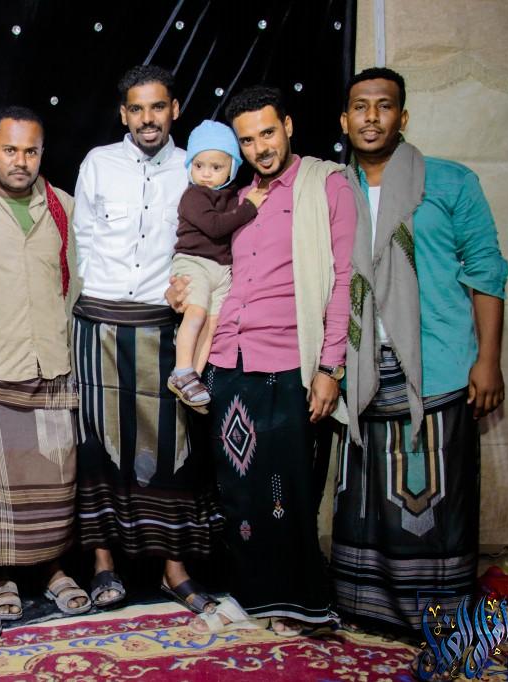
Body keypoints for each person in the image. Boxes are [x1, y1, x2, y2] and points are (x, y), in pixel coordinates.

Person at [333, 67, 508, 630]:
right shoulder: (333, 190)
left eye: (384, 106)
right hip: (359, 371)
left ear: (402, 117)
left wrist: (488, 360)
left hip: (437, 367)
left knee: (437, 505)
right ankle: (366, 610)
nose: (371, 117)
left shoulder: (450, 183)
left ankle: (437, 617)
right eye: (360, 106)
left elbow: (486, 270)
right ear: (344, 120)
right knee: (368, 506)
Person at [186, 85, 357, 636]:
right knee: (237, 490)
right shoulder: (236, 200)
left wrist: (330, 367)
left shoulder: (326, 185)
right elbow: (210, 266)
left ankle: (299, 602)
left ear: (287, 126)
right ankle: (248, 595)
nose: (260, 148)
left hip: (289, 361)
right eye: (247, 140)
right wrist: (181, 287)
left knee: (285, 491)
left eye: (267, 133)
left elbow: (346, 280)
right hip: (228, 358)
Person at [72, 64, 223, 614]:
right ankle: (103, 565)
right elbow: (82, 241)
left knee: (174, 448)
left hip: (165, 327)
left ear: (174, 109)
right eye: (136, 109)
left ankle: (173, 569)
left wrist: (192, 286)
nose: (147, 118)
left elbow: (211, 243)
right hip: (99, 324)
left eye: (157, 107)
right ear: (123, 114)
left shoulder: (196, 167)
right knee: (97, 446)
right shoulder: (98, 163)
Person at [0, 106, 89, 620]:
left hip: (50, 361)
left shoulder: (63, 206)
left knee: (55, 480)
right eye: (10, 150)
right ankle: (1, 577)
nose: (21, 161)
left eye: (31, 151)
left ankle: (53, 570)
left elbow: (75, 280)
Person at [167, 120, 267, 412]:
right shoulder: (193, 196)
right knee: (196, 315)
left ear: (232, 168)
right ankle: (181, 369)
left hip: (221, 270)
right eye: (199, 166)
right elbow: (215, 226)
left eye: (216, 167)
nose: (206, 173)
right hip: (194, 262)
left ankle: (192, 381)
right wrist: (249, 207)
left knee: (212, 325)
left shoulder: (232, 196)